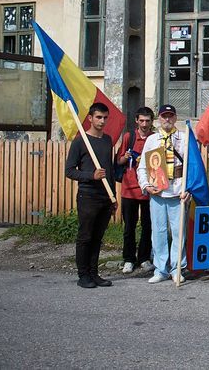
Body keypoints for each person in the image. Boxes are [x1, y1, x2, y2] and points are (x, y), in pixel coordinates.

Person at [64, 102, 116, 289]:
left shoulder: (107, 140)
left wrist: (113, 197)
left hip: (105, 197)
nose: (102, 121)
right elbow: (69, 171)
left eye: (105, 118)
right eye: (98, 117)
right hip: (88, 196)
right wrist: (90, 176)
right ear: (90, 118)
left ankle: (94, 273)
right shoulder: (80, 141)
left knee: (97, 237)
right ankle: (83, 275)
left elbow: (109, 170)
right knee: (85, 236)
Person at [137, 104, 189, 284]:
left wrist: (188, 188)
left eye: (170, 116)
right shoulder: (152, 139)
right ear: (159, 118)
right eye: (164, 116)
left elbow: (193, 168)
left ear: (175, 118)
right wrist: (145, 185)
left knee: (178, 233)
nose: (167, 119)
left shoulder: (185, 138)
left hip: (177, 191)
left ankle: (177, 268)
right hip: (158, 192)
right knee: (158, 232)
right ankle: (161, 269)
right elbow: (142, 167)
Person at [115, 106, 156, 274]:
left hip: (149, 189)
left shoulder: (155, 138)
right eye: (142, 121)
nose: (144, 124)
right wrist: (126, 157)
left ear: (152, 122)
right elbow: (118, 160)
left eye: (147, 121)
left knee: (148, 226)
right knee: (129, 227)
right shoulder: (129, 137)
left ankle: (144, 258)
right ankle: (129, 259)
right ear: (136, 121)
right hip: (129, 189)